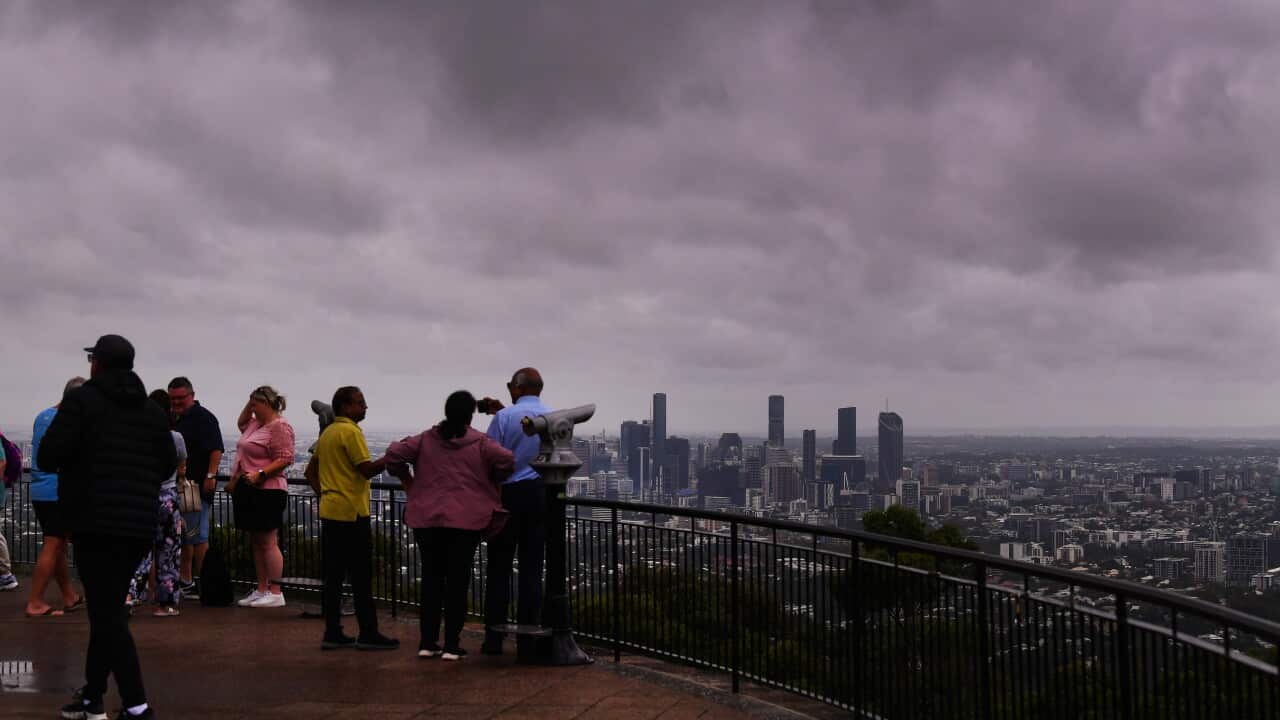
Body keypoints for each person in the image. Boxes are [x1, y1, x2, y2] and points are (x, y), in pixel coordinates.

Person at [39, 334, 176, 720]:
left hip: (93, 522)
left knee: (108, 615)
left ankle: (137, 705)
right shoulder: (151, 411)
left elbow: (49, 455)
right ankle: (92, 695)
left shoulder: (82, 402)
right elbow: (167, 464)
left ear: (97, 364)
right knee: (108, 609)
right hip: (137, 525)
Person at [385, 391, 515, 660]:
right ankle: (452, 644)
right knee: (458, 581)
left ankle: (427, 642)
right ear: (469, 415)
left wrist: (410, 484)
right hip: (466, 522)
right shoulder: (480, 443)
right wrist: (492, 480)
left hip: (427, 519)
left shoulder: (426, 440)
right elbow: (507, 460)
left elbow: (394, 454)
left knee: (432, 580)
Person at [303, 386, 398, 651]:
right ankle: (368, 631)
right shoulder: (351, 432)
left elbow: (311, 472)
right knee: (360, 575)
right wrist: (393, 456)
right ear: (346, 407)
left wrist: (326, 495)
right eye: (360, 403)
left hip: (331, 510)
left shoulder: (329, 432)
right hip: (353, 512)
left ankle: (332, 631)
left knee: (333, 576)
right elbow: (366, 470)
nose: (365, 407)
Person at [478, 367, 552, 656]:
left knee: (498, 567)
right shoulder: (552, 417)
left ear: (519, 388)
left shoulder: (504, 418)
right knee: (532, 570)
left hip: (506, 496)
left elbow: (487, 455)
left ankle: (494, 638)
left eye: (511, 385)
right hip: (539, 496)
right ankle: (527, 640)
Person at [225, 386, 294, 608]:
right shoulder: (255, 425)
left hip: (269, 488)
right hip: (249, 488)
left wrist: (261, 473)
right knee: (256, 541)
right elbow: (241, 421)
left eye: (256, 404)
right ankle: (262, 587)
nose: (252, 409)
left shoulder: (279, 427)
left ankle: (276, 591)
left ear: (267, 404)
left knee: (268, 540)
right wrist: (251, 400)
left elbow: (285, 458)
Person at [24, 376, 86, 617]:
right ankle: (36, 602)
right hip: (57, 490)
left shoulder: (42, 417)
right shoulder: (69, 421)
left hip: (39, 489)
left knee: (58, 544)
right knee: (53, 544)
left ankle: (69, 596)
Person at [126, 391, 187, 617]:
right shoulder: (175, 438)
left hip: (143, 497)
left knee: (140, 551)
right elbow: (182, 466)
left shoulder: (138, 436)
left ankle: (130, 594)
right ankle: (165, 604)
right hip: (168, 498)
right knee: (168, 552)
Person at [168, 377, 224, 599]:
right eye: (173, 398)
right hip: (180, 486)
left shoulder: (203, 418)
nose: (177, 402)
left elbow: (216, 448)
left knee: (197, 536)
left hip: (195, 486)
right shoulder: (176, 418)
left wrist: (210, 475)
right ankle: (187, 580)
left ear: (192, 395)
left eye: (181, 398)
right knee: (187, 535)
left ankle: (208, 584)